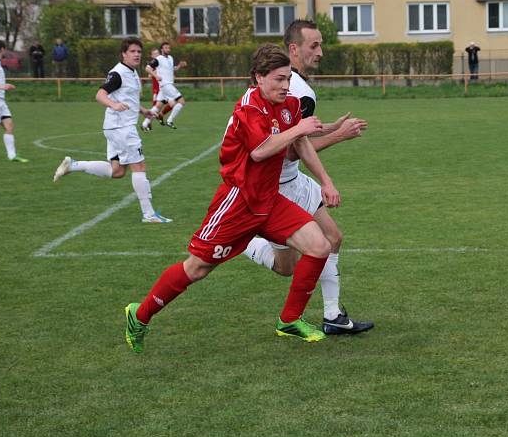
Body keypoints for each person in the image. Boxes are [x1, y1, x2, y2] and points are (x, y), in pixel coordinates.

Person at [124, 43, 340, 352]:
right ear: (258, 78)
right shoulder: (248, 107)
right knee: (197, 268)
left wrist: (326, 181)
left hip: (270, 199)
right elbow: (261, 150)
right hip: (238, 202)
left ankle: (289, 320)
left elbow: (302, 143)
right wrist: (297, 131)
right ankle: (140, 314)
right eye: (278, 79)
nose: (285, 85)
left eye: (288, 78)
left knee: (320, 246)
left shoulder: (290, 104)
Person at [242, 19, 374, 335]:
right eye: (314, 45)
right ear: (293, 49)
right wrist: (339, 136)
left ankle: (332, 317)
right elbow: (290, 149)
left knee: (333, 238)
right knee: (286, 266)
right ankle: (243, 240)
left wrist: (327, 127)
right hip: (280, 186)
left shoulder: (288, 86)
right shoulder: (299, 89)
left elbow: (292, 130)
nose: (321, 52)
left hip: (292, 180)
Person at [52, 37, 172, 224]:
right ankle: (149, 215)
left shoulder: (131, 73)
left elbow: (127, 98)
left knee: (117, 171)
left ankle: (73, 165)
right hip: (121, 128)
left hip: (116, 127)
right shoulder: (117, 73)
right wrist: (113, 105)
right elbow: (100, 95)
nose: (136, 55)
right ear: (124, 53)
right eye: (132, 51)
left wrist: (143, 111)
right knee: (139, 166)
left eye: (139, 52)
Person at [142, 41, 187, 130]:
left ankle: (144, 124)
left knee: (157, 107)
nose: (168, 49)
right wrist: (156, 76)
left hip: (164, 87)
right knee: (181, 102)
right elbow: (147, 68)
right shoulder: (158, 59)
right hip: (166, 85)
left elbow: (171, 69)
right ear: (162, 49)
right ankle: (170, 120)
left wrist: (179, 66)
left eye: (169, 48)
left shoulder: (170, 58)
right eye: (166, 48)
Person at [144, 47, 172, 129]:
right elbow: (149, 75)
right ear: (152, 56)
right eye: (154, 54)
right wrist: (155, 73)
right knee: (155, 108)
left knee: (172, 103)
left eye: (157, 53)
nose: (156, 55)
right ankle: (148, 123)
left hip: (164, 89)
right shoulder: (153, 66)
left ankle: (159, 116)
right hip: (157, 90)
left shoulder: (161, 63)